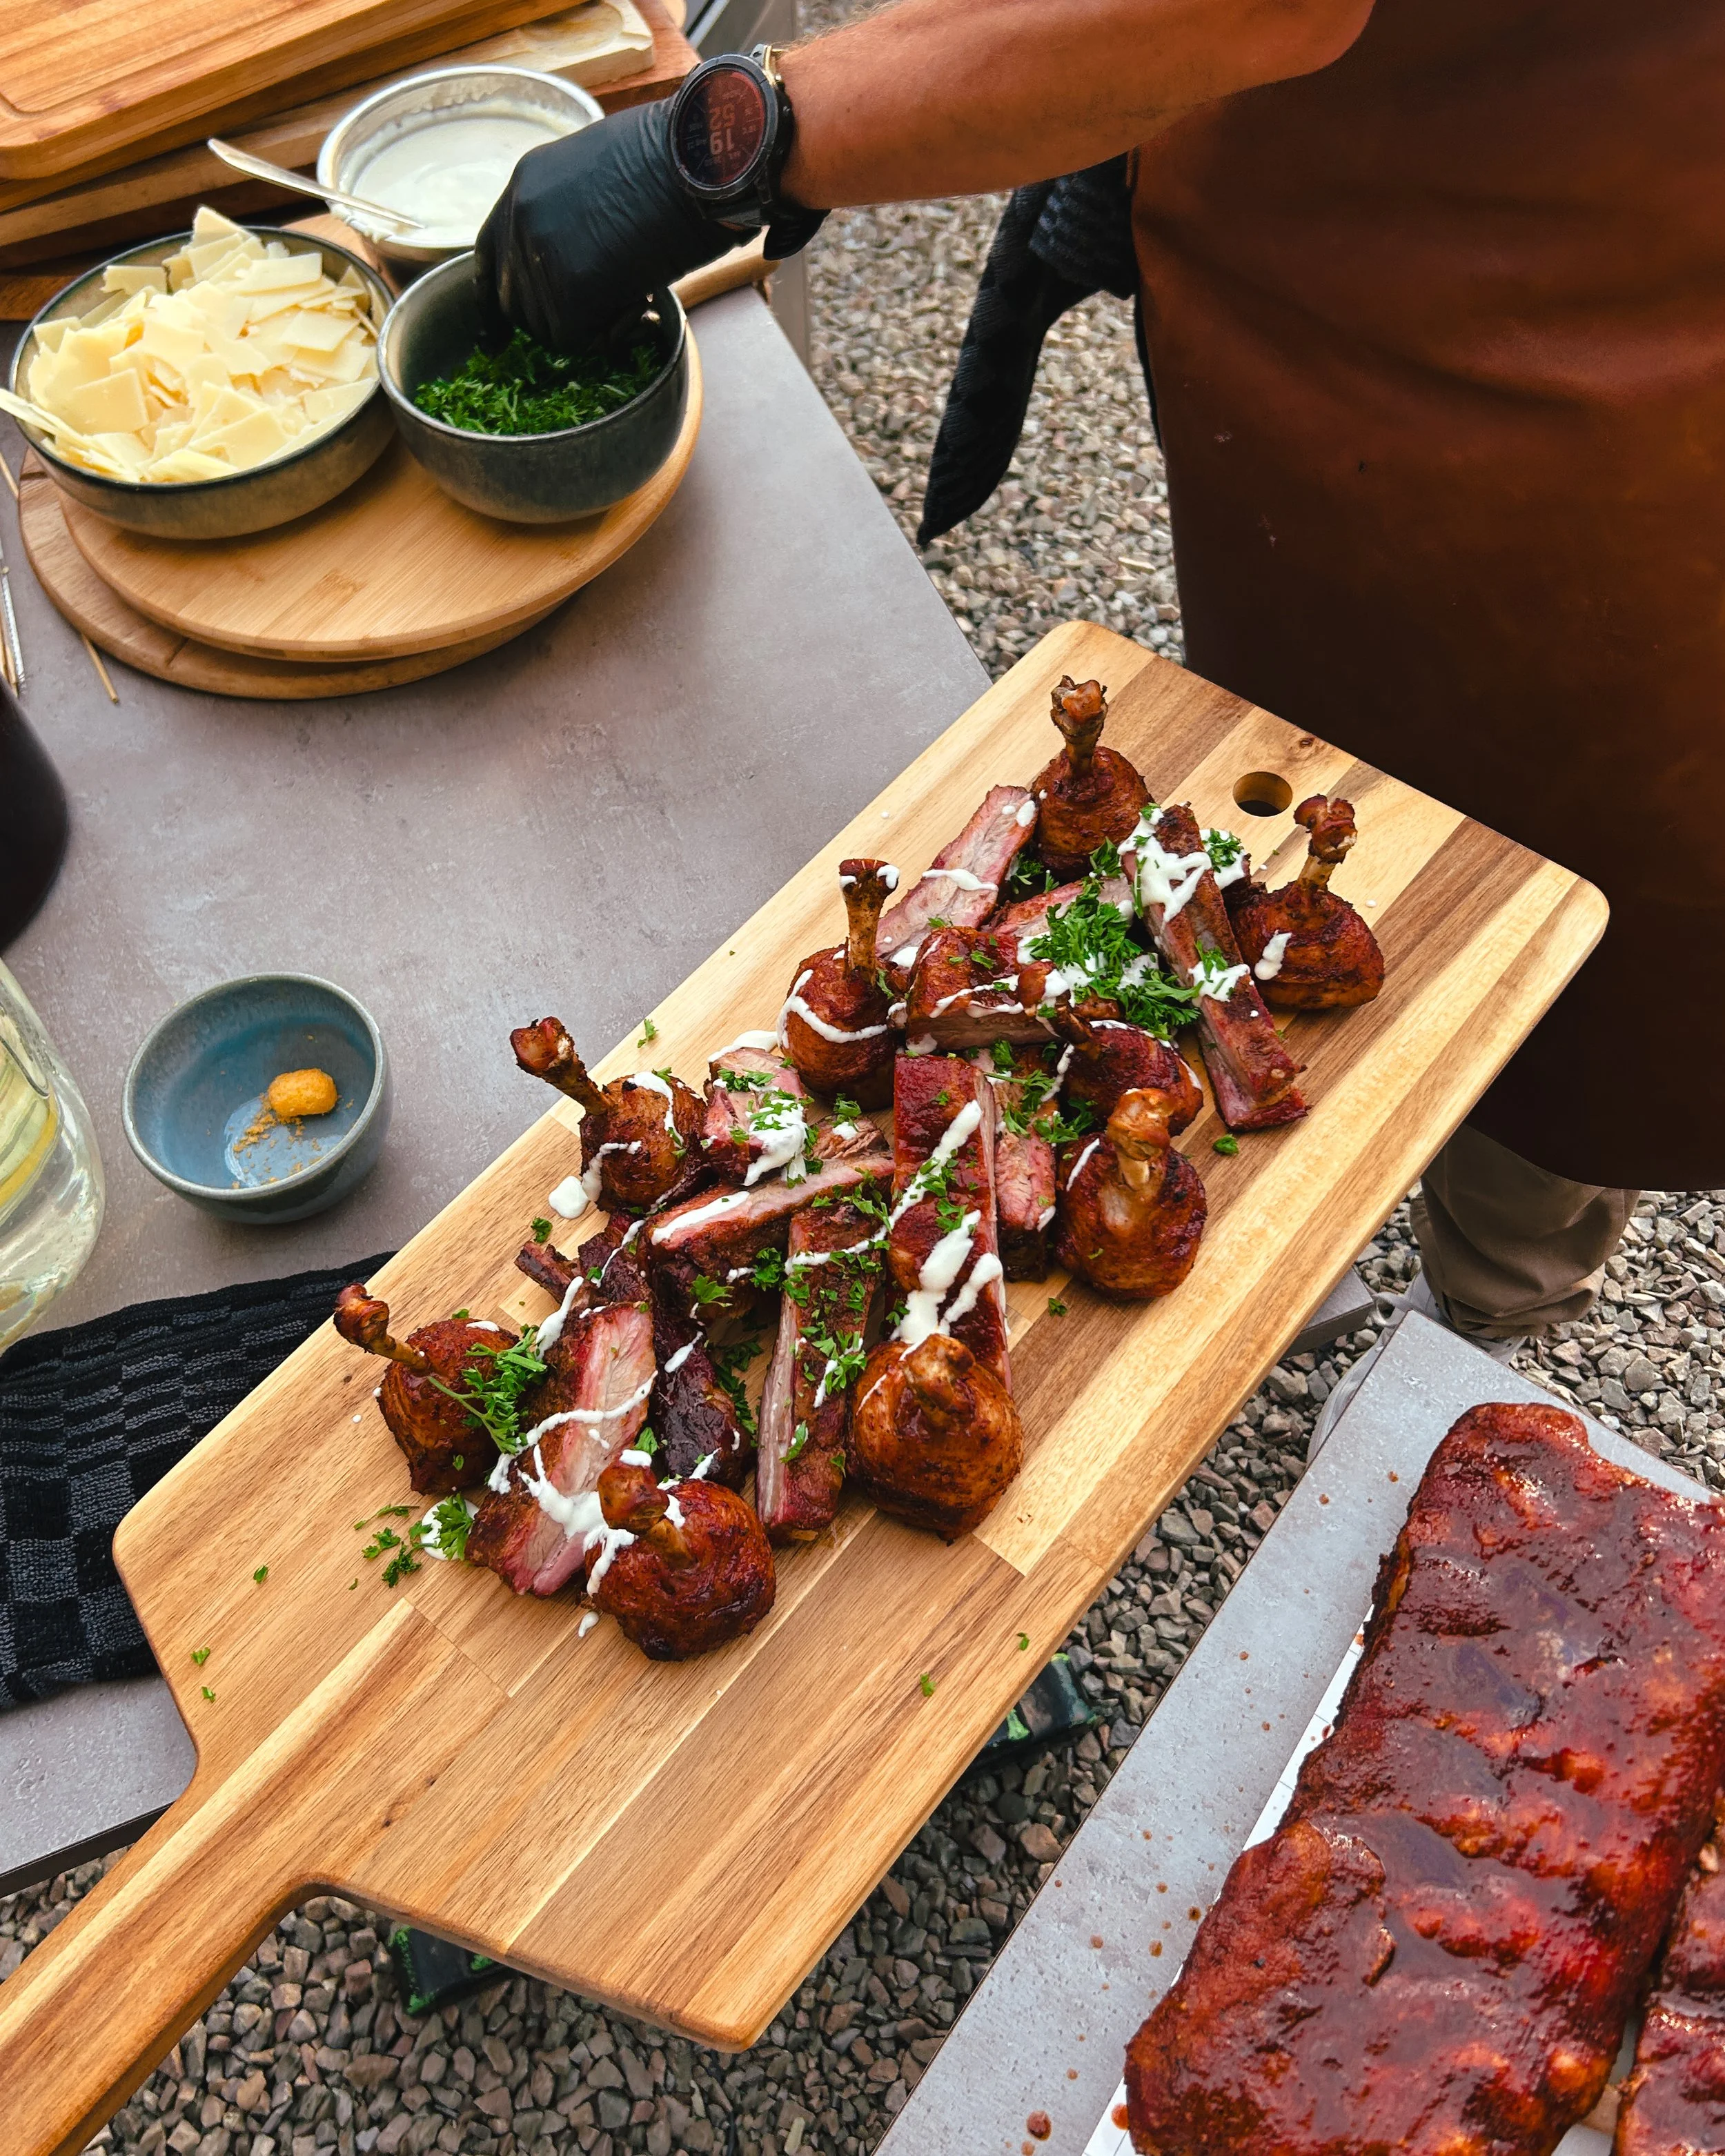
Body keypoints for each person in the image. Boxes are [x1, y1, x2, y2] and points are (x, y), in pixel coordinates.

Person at [477, 0, 1725, 1356]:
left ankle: (1487, 1313)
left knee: (1576, 920)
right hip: (1303, 283)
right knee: (1264, 834)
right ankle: (1243, 1215)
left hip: (1608, 353)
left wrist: (748, 131)